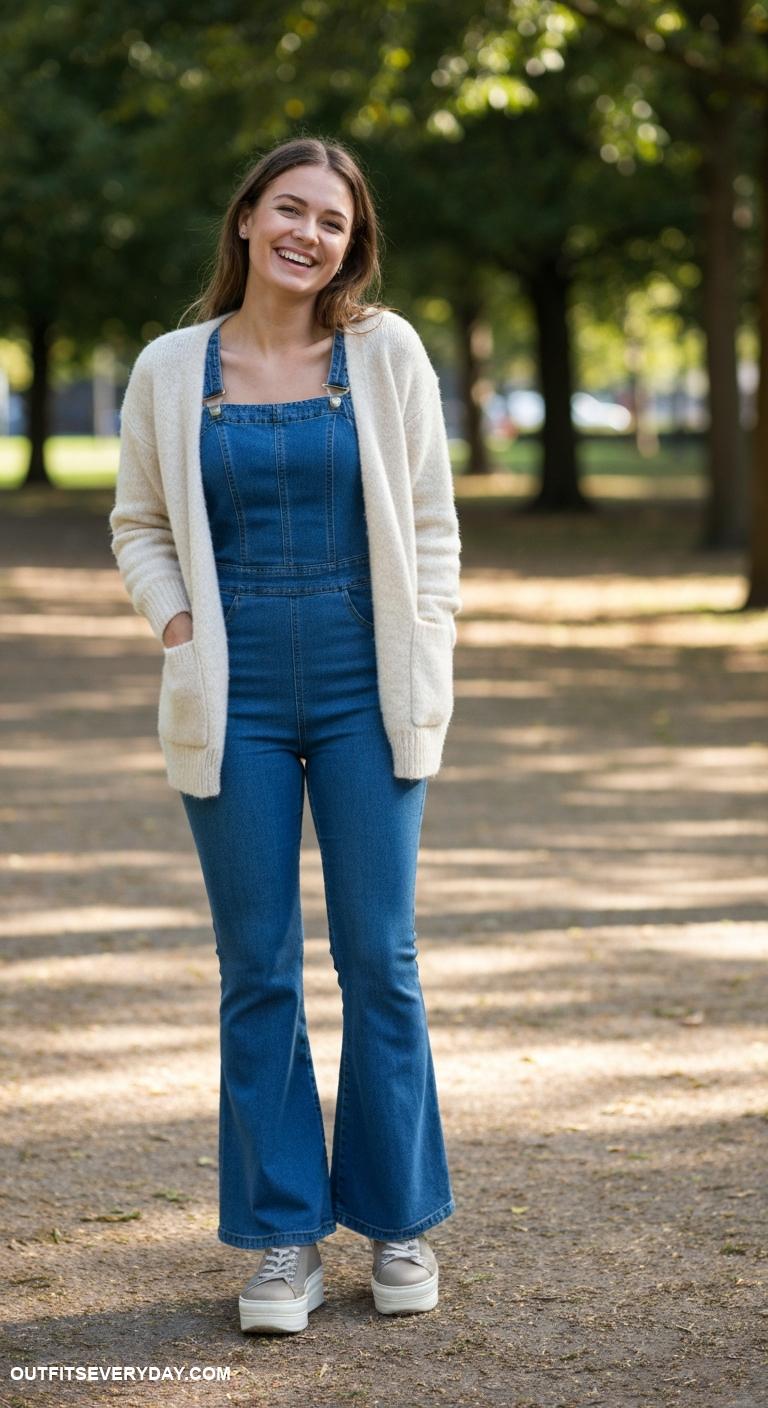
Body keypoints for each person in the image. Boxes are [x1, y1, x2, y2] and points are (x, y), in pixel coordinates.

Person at [109, 135, 462, 1335]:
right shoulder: (170, 368)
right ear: (249, 217)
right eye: (291, 209)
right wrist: (173, 625)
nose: (311, 234)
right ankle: (280, 1241)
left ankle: (399, 1221)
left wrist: (434, 650)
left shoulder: (385, 352)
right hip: (235, 694)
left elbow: (431, 523)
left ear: (351, 244)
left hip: (369, 686)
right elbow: (139, 521)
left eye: (336, 220)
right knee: (256, 970)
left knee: (382, 960)